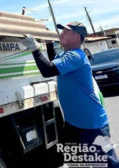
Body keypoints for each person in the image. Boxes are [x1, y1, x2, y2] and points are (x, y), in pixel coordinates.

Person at [21, 22, 119, 168]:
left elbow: (48, 70)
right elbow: (54, 60)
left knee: (106, 163)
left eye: (65, 32)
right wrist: (48, 43)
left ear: (76, 35)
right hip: (74, 124)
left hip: (92, 125)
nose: (61, 34)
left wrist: (35, 49)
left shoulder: (76, 56)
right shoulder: (66, 55)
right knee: (74, 160)